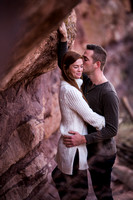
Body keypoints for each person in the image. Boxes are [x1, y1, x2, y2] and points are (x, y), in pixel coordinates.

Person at [55, 23, 119, 200]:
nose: (81, 62)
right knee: (78, 191)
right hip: (84, 148)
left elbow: (112, 130)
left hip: (102, 154)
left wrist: (83, 138)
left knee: (102, 194)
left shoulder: (108, 93)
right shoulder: (87, 82)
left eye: (85, 59)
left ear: (97, 64)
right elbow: (65, 65)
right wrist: (63, 39)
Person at [52, 35, 105, 200]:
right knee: (79, 194)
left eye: (82, 66)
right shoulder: (71, 92)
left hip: (67, 145)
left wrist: (63, 41)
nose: (80, 70)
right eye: (76, 67)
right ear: (68, 69)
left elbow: (64, 62)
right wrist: (108, 121)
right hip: (74, 150)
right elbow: (91, 118)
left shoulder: (70, 83)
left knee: (68, 187)